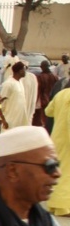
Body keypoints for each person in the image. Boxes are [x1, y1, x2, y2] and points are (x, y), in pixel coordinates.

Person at [45, 83, 70, 215]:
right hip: (67, 140)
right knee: (66, 173)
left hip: (57, 138)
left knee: (58, 171)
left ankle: (54, 204)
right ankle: (63, 206)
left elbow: (48, 111)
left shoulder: (61, 94)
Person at [0, 62, 30, 128]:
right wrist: (3, 120)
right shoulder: (8, 84)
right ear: (20, 71)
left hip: (20, 120)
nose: (25, 72)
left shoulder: (20, 82)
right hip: (10, 121)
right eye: (24, 69)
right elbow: (1, 103)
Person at [35, 60, 57, 128]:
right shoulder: (54, 76)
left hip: (43, 100)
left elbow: (38, 90)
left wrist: (36, 101)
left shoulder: (40, 77)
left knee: (44, 119)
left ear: (43, 67)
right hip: (52, 100)